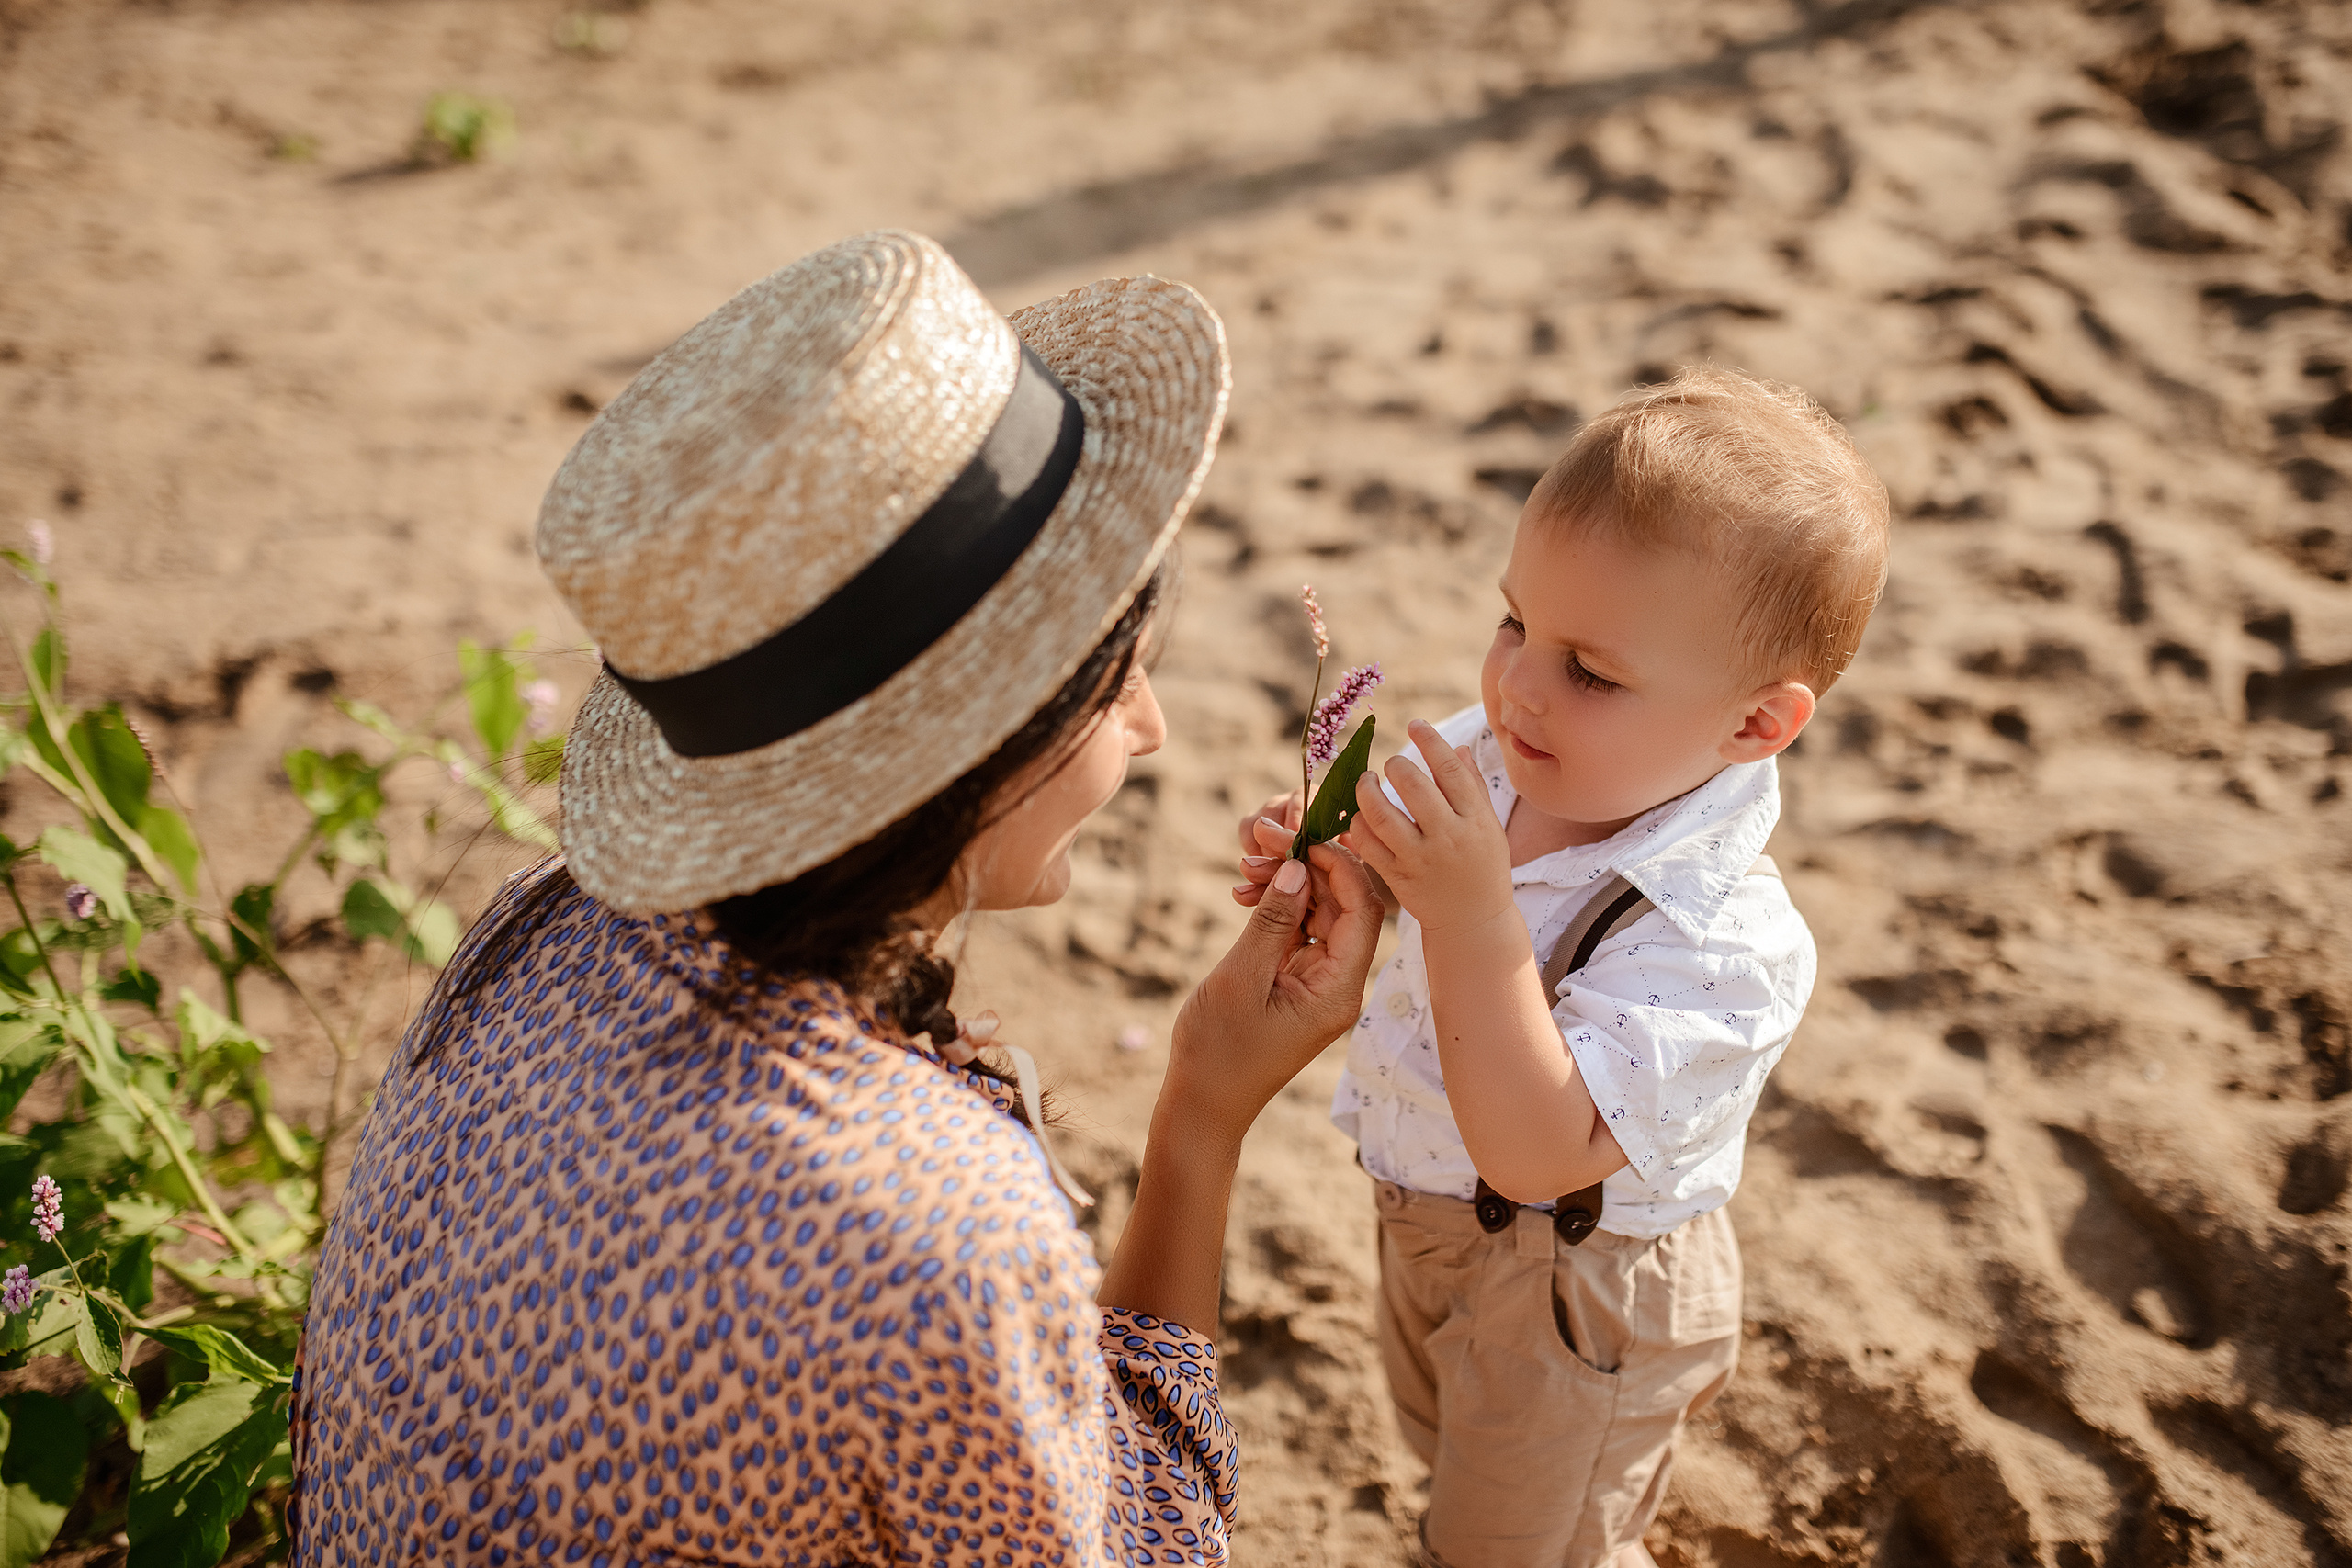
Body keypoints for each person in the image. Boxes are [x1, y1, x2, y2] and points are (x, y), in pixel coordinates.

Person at [291, 230, 1383, 1568]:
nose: (1149, 730)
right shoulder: (930, 1219)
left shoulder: (542, 930)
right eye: (1117, 684)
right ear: (980, 749)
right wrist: (1206, 1116)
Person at [1236, 367, 1890, 1567]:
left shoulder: (1722, 940)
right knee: (1453, 1472)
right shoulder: (1511, 747)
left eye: (1590, 671)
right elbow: (1419, 872)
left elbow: (1539, 1150)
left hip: (1575, 1300)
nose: (1519, 683)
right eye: (1513, 621)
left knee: (1526, 1551)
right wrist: (1349, 861)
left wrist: (1474, 915)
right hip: (1421, 1219)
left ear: (1754, 725)